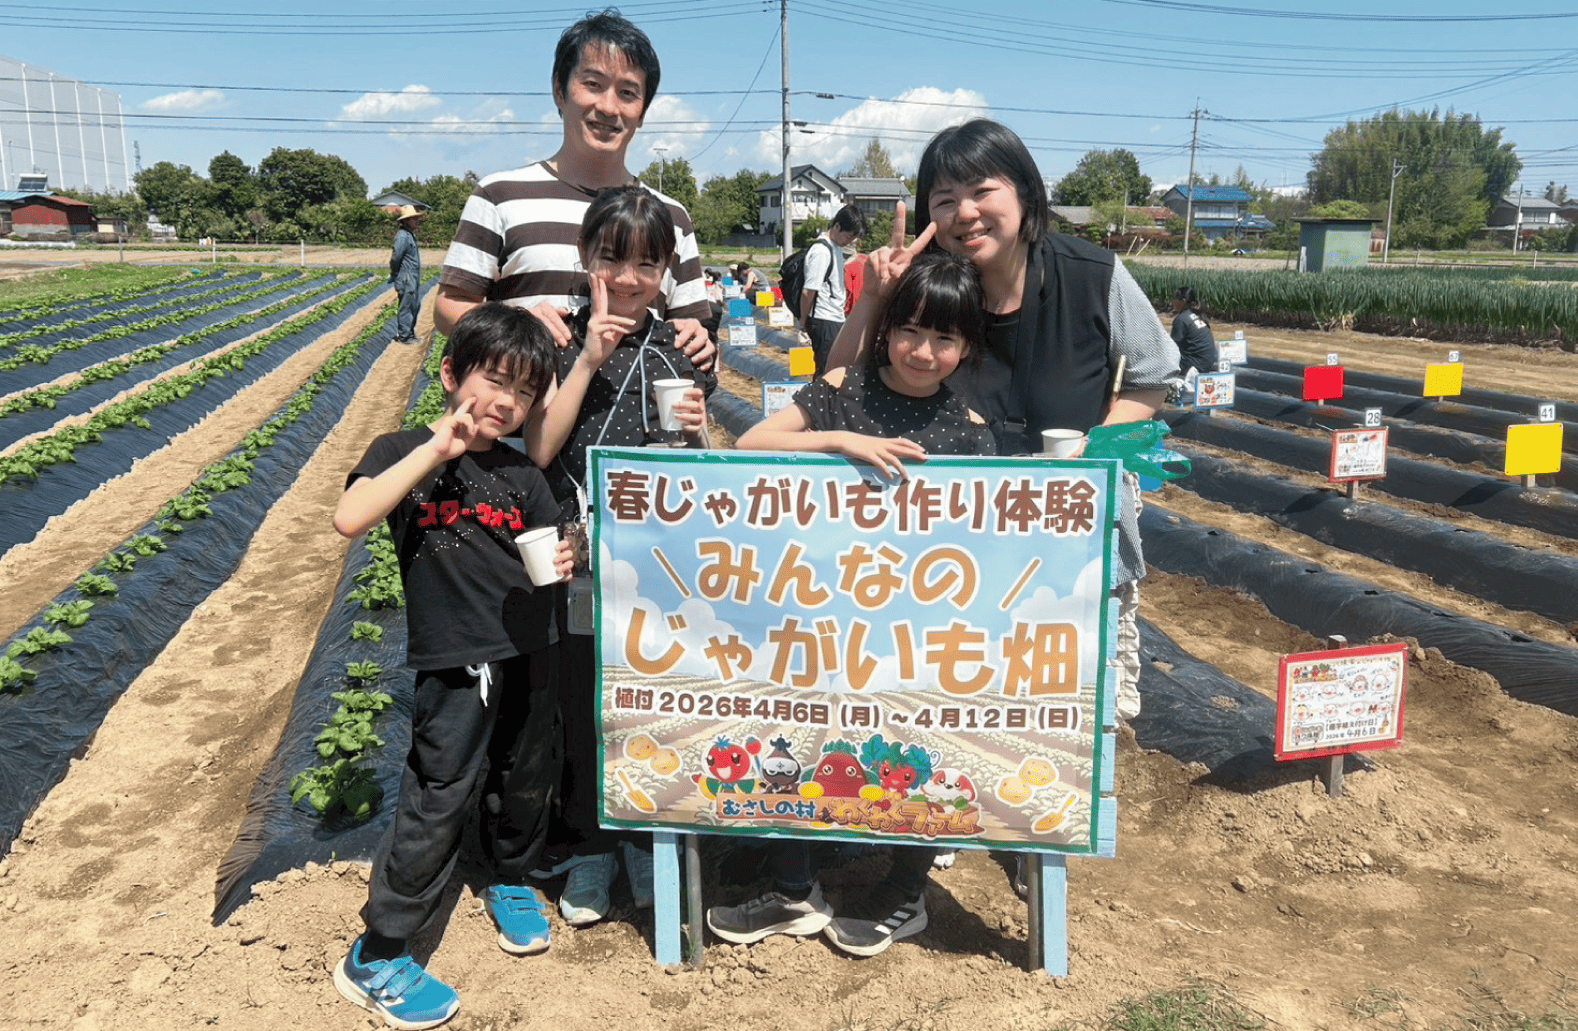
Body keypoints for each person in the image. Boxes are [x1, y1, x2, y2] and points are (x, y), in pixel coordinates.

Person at [829, 119, 1181, 728]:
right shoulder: (926, 285)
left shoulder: (1092, 275)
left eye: (982, 191)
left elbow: (1153, 375)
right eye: (944, 199)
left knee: (1077, 706)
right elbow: (836, 384)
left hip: (1069, 533)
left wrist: (1093, 453)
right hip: (944, 544)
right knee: (952, 698)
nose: (964, 213)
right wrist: (876, 299)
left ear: (1024, 192)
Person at [713, 252, 993, 957]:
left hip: (913, 625)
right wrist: (840, 440)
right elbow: (751, 441)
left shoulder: (969, 429)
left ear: (967, 348)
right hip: (823, 612)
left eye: (945, 339)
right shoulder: (844, 387)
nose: (923, 351)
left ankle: (905, 889)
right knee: (799, 729)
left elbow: (984, 537)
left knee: (924, 742)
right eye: (911, 331)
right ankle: (793, 888)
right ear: (887, 328)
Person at [331, 303, 574, 1031]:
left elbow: (550, 541)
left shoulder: (522, 471)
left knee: (524, 774)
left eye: (524, 391)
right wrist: (438, 447)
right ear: (449, 374)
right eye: (494, 380)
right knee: (441, 789)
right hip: (458, 658)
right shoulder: (403, 450)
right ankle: (377, 951)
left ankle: (507, 877)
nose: (507, 401)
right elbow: (350, 516)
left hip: (530, 645)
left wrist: (566, 554)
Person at [523, 183, 712, 926]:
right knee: (580, 705)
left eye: (647, 264)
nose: (629, 279)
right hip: (579, 557)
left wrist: (697, 430)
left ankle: (641, 836)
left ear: (666, 269)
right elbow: (540, 449)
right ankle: (590, 845)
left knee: (651, 700)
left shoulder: (682, 346)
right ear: (585, 257)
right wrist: (587, 358)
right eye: (612, 258)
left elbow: (697, 467)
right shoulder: (555, 338)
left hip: (659, 563)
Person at [433, 9, 714, 371]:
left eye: (627, 93)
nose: (608, 107)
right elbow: (448, 307)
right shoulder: (499, 196)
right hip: (524, 406)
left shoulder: (670, 216)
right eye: (593, 84)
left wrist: (697, 336)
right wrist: (516, 325)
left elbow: (691, 324)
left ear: (643, 111)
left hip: (635, 406)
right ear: (559, 91)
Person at [799, 204, 867, 375]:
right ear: (837, 226)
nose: (850, 241)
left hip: (834, 317)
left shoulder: (835, 248)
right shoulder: (822, 251)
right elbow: (808, 291)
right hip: (824, 319)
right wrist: (803, 322)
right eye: (849, 236)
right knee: (826, 372)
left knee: (835, 370)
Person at [389, 205, 425, 344]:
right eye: (414, 219)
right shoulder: (402, 236)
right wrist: (395, 273)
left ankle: (410, 333)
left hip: (412, 276)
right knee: (407, 306)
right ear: (406, 221)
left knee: (414, 305)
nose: (417, 221)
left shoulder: (409, 235)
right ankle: (404, 336)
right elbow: (396, 258)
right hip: (406, 276)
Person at [1170, 285, 1219, 377]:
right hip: (1207, 362)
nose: (1172, 302)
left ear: (1183, 301)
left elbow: (1172, 347)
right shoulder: (1196, 314)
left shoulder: (1181, 319)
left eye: (1175, 299)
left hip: (1195, 365)